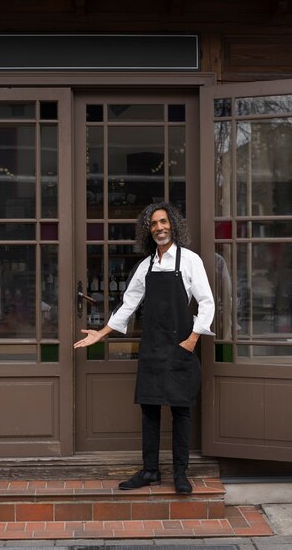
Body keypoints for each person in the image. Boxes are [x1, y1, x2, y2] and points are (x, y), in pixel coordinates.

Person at [74, 202, 215, 494]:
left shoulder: (190, 261)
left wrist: (191, 340)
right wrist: (101, 333)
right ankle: (150, 470)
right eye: (153, 224)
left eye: (163, 222)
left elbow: (207, 303)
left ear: (173, 225)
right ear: (147, 231)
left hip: (180, 346)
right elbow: (128, 304)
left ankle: (180, 474)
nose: (159, 228)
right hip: (152, 347)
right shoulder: (146, 265)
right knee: (150, 410)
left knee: (180, 412)